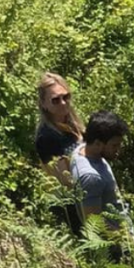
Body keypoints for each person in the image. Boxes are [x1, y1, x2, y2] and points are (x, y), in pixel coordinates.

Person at [35, 72, 84, 234]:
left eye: (66, 97)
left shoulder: (72, 124)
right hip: (72, 206)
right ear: (44, 104)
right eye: (55, 100)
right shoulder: (46, 137)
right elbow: (65, 179)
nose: (63, 103)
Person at [70, 111, 128, 231]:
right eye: (114, 145)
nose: (118, 149)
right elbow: (95, 224)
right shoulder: (91, 177)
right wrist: (133, 243)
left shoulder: (81, 149)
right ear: (97, 143)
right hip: (116, 246)